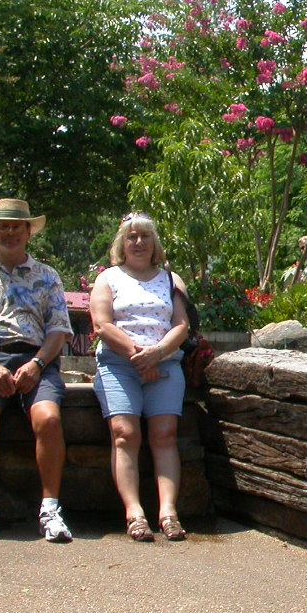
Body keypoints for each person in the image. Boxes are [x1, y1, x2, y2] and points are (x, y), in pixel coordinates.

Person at [0, 198, 73, 544]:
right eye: (3, 227)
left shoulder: (47, 276)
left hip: (36, 359)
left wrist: (37, 364)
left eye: (16, 227)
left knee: (49, 419)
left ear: (28, 232)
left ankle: (50, 510)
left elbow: (59, 330)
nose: (10, 233)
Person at [89, 213, 191, 542]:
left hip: (164, 364)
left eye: (145, 236)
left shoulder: (171, 280)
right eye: (131, 236)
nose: (138, 242)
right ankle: (134, 513)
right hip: (119, 364)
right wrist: (139, 356)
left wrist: (156, 354)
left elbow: (182, 325)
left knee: (165, 434)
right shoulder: (108, 279)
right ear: (122, 243)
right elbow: (102, 324)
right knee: (125, 433)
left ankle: (168, 512)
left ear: (154, 242)